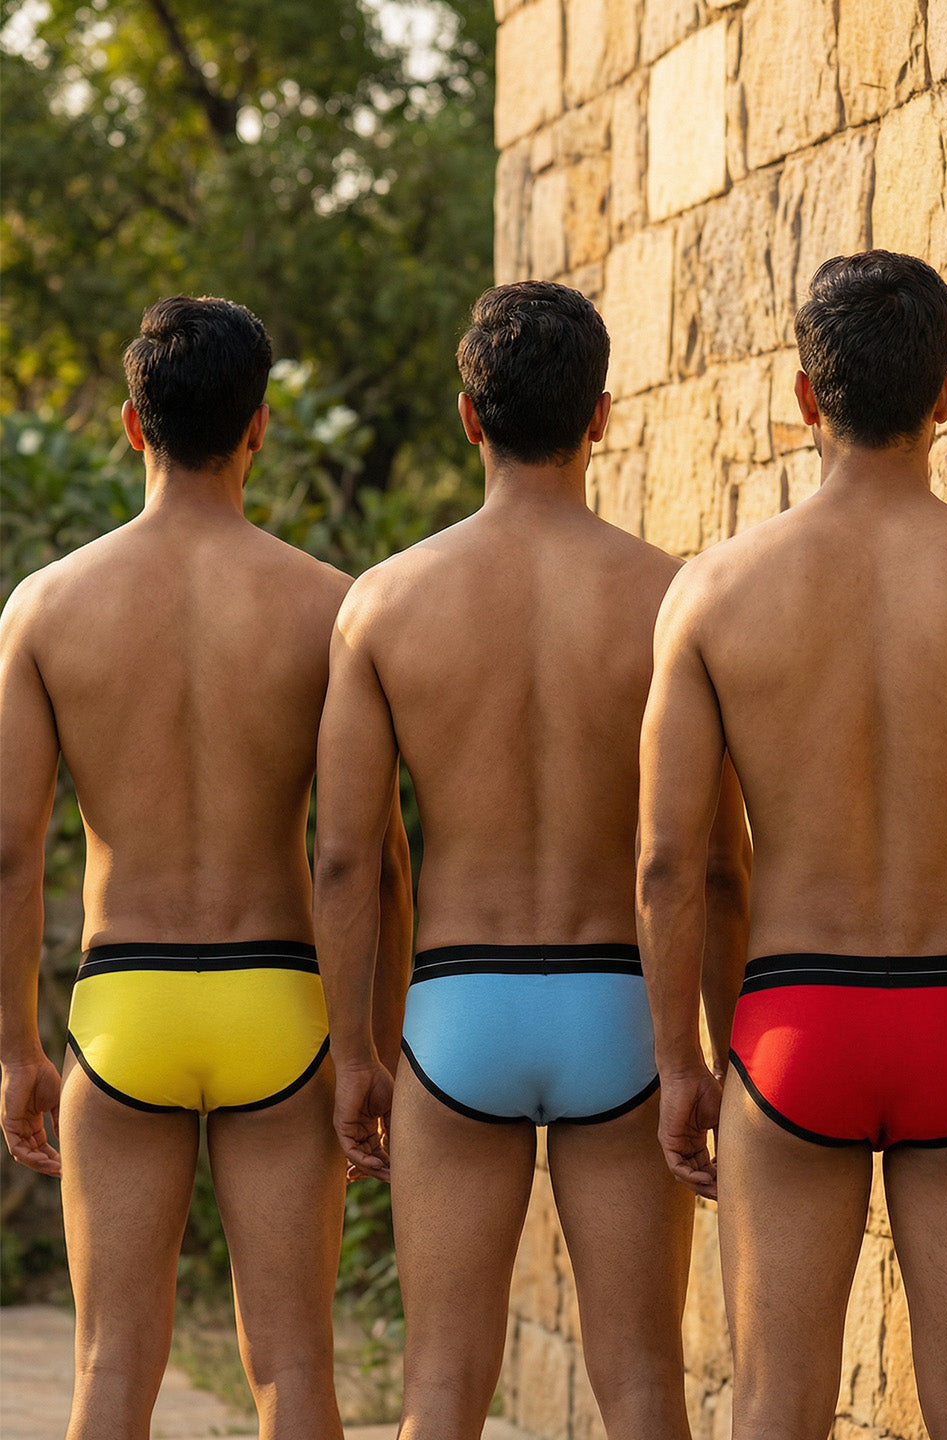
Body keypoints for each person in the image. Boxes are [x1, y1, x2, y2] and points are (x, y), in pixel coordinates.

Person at [636, 249, 947, 1439]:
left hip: (795, 1022)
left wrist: (680, 1062)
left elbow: (677, 863)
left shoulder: (713, 594)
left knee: (777, 1406)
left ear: (804, 398)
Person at [314, 280, 751, 1440]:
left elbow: (352, 862)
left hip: (460, 1008)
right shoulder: (673, 599)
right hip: (622, 1009)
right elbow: (712, 866)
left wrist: (355, 1052)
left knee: (440, 1391)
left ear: (469, 416)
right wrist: (715, 1052)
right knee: (645, 1384)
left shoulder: (382, 605)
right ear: (601, 416)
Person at [0, 295, 412, 1440]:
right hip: (277, 999)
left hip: (123, 1003)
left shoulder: (44, 610)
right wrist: (371, 1047)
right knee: (294, 1366)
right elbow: (369, 858)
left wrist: (16, 1048)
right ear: (259, 427)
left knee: (109, 1371)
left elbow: (9, 853)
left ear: (134, 425)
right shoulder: (329, 607)